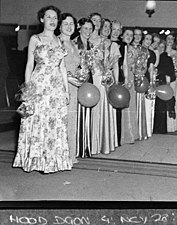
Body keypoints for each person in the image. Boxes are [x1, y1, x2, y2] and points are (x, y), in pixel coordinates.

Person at [13, 5, 72, 173]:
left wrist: (66, 91)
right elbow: (29, 65)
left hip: (56, 88)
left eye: (55, 18)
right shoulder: (35, 39)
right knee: (38, 121)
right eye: (49, 17)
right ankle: (36, 161)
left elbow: (62, 67)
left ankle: (53, 161)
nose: (52, 21)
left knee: (55, 122)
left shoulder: (60, 41)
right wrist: (27, 90)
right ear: (42, 19)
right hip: (39, 85)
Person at [89, 17, 120, 155]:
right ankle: (93, 143)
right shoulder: (92, 42)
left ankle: (106, 143)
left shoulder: (113, 45)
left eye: (109, 27)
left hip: (108, 78)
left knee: (107, 107)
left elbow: (116, 66)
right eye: (105, 26)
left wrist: (117, 83)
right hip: (95, 77)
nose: (107, 29)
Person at [58, 13, 81, 163]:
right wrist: (70, 78)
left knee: (71, 121)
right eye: (65, 23)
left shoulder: (73, 44)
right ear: (59, 26)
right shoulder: (57, 42)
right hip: (61, 86)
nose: (69, 26)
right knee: (61, 121)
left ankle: (70, 155)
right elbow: (55, 66)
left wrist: (80, 75)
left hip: (75, 87)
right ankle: (59, 157)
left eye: (71, 23)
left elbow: (76, 66)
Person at [73, 18, 94, 158]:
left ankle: (85, 145)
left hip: (89, 81)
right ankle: (78, 147)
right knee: (78, 114)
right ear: (79, 28)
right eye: (85, 28)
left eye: (90, 29)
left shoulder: (91, 45)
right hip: (77, 81)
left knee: (87, 114)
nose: (88, 31)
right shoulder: (74, 43)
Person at [121, 28, 139, 144]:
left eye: (131, 35)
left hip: (132, 77)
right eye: (127, 34)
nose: (129, 36)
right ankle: (125, 135)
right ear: (122, 35)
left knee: (131, 104)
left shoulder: (132, 49)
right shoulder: (122, 47)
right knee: (124, 104)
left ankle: (131, 132)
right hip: (124, 77)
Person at [153, 40, 176, 134]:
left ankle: (161, 129)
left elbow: (172, 74)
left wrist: (168, 80)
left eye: (163, 47)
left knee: (161, 108)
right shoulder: (153, 56)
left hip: (162, 85)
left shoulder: (167, 58)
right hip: (152, 84)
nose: (161, 48)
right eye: (159, 46)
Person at [132, 27, 149, 140]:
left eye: (139, 35)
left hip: (140, 79)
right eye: (135, 34)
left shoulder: (144, 50)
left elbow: (145, 66)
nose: (137, 37)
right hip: (130, 78)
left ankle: (139, 132)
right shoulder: (128, 47)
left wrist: (140, 74)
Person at [110, 20, 124, 146]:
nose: (116, 32)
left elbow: (122, 65)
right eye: (113, 29)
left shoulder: (123, 45)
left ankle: (116, 139)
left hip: (119, 78)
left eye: (118, 30)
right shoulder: (105, 43)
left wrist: (119, 81)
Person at [142, 33, 156, 138]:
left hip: (145, 80)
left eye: (150, 39)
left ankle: (146, 131)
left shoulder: (152, 53)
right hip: (136, 79)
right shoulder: (136, 50)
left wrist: (151, 83)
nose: (148, 41)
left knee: (147, 106)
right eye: (146, 39)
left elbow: (151, 69)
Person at [165, 33, 177, 132]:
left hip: (172, 78)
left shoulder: (176, 53)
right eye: (167, 38)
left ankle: (171, 126)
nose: (169, 40)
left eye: (171, 39)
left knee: (171, 97)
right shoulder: (161, 50)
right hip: (162, 78)